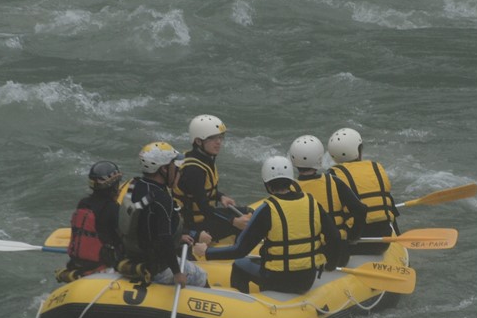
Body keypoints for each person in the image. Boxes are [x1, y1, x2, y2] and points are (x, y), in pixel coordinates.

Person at [193, 156, 341, 294]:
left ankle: (245, 307)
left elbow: (240, 251)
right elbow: (334, 237)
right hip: (307, 279)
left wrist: (207, 252)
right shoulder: (312, 203)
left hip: (276, 280)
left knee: (239, 265)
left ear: (267, 185)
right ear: (291, 181)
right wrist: (330, 265)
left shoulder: (267, 209)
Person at [117, 142, 209, 288]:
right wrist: (177, 273)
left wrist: (179, 235)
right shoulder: (162, 199)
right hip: (156, 267)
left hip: (132, 258)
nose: (177, 170)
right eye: (174, 166)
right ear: (164, 169)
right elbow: (164, 238)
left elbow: (144, 223)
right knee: (201, 276)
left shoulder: (135, 185)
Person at [288, 134, 367, 266]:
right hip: (338, 253)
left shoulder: (290, 189)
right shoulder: (334, 182)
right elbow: (360, 209)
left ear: (293, 160)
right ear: (320, 158)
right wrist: (353, 236)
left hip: (306, 255)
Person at [173, 114, 250, 242]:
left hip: (204, 218)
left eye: (220, 137)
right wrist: (233, 221)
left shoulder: (203, 158)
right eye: (212, 138)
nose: (218, 142)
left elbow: (200, 191)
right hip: (194, 226)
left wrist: (221, 196)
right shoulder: (194, 170)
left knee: (248, 212)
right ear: (198, 141)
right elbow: (205, 209)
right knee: (241, 224)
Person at [326, 127, 399, 253]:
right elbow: (390, 207)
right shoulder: (376, 168)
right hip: (383, 240)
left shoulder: (332, 175)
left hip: (353, 243)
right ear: (358, 150)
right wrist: (398, 238)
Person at [56, 160, 124, 283]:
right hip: (102, 267)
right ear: (113, 185)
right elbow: (121, 238)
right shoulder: (112, 208)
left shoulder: (83, 203)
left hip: (76, 265)